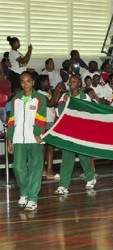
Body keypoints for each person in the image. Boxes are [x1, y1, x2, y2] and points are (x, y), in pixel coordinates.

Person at [7, 71, 47, 212]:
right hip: (18, 139)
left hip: (35, 139)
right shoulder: (16, 99)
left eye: (28, 81)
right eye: (23, 81)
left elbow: (41, 117)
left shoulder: (40, 98)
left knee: (35, 169)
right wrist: (10, 139)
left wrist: (37, 133)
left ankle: (32, 198)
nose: (25, 84)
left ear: (33, 82)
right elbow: (12, 120)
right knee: (18, 167)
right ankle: (24, 192)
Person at [53, 75, 97, 195]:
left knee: (84, 157)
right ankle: (63, 185)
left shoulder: (85, 97)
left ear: (79, 84)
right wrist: (66, 102)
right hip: (68, 132)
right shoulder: (64, 96)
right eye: (70, 81)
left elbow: (87, 112)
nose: (71, 83)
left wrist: (71, 102)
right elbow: (58, 111)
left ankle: (91, 177)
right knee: (67, 159)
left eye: (74, 81)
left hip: (81, 132)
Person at [35, 75, 65, 179]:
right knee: (50, 146)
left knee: (45, 147)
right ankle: (49, 171)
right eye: (47, 81)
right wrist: (57, 89)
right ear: (42, 82)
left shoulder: (46, 93)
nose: (49, 83)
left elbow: (55, 103)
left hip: (49, 121)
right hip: (46, 122)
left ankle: (44, 170)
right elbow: (50, 104)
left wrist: (56, 92)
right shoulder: (39, 93)